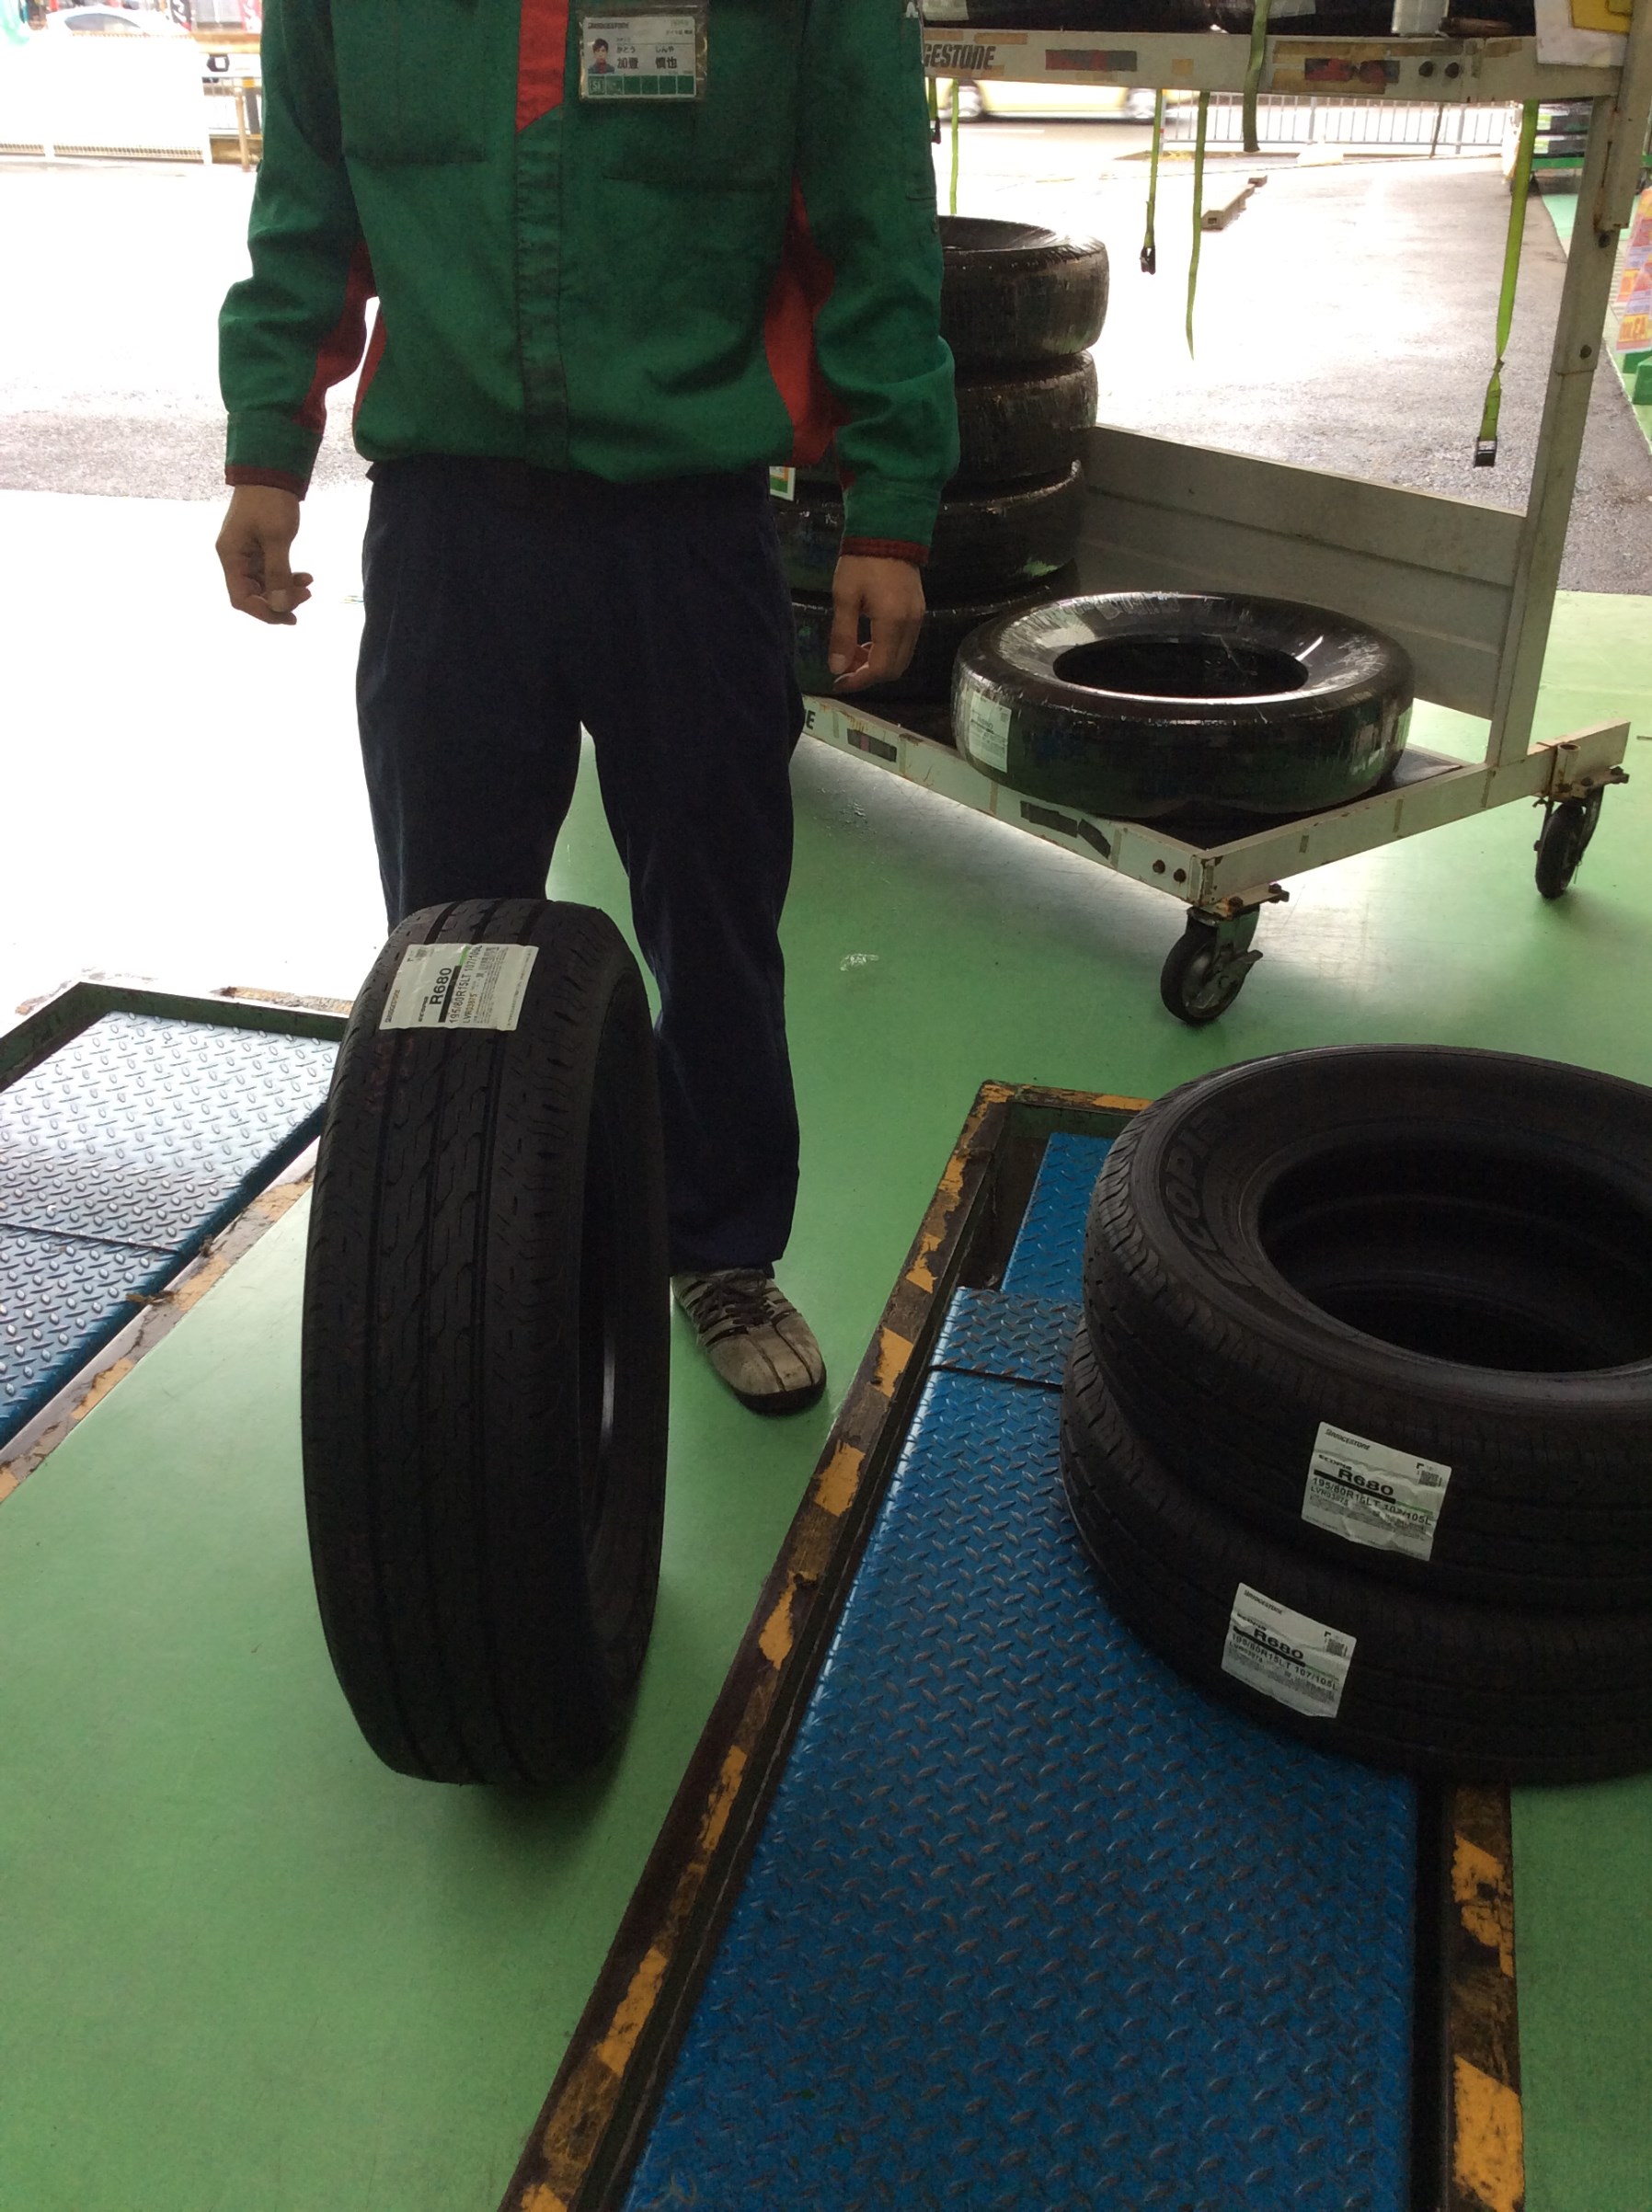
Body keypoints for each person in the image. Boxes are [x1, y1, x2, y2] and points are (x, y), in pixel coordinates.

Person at [214, 0, 958, 1415]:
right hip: (449, 525)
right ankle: (466, 1253)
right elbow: (307, 200)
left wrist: (891, 504)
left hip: (686, 528)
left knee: (716, 918)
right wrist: (266, 447)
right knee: (450, 938)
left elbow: (873, 207)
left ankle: (722, 1246)